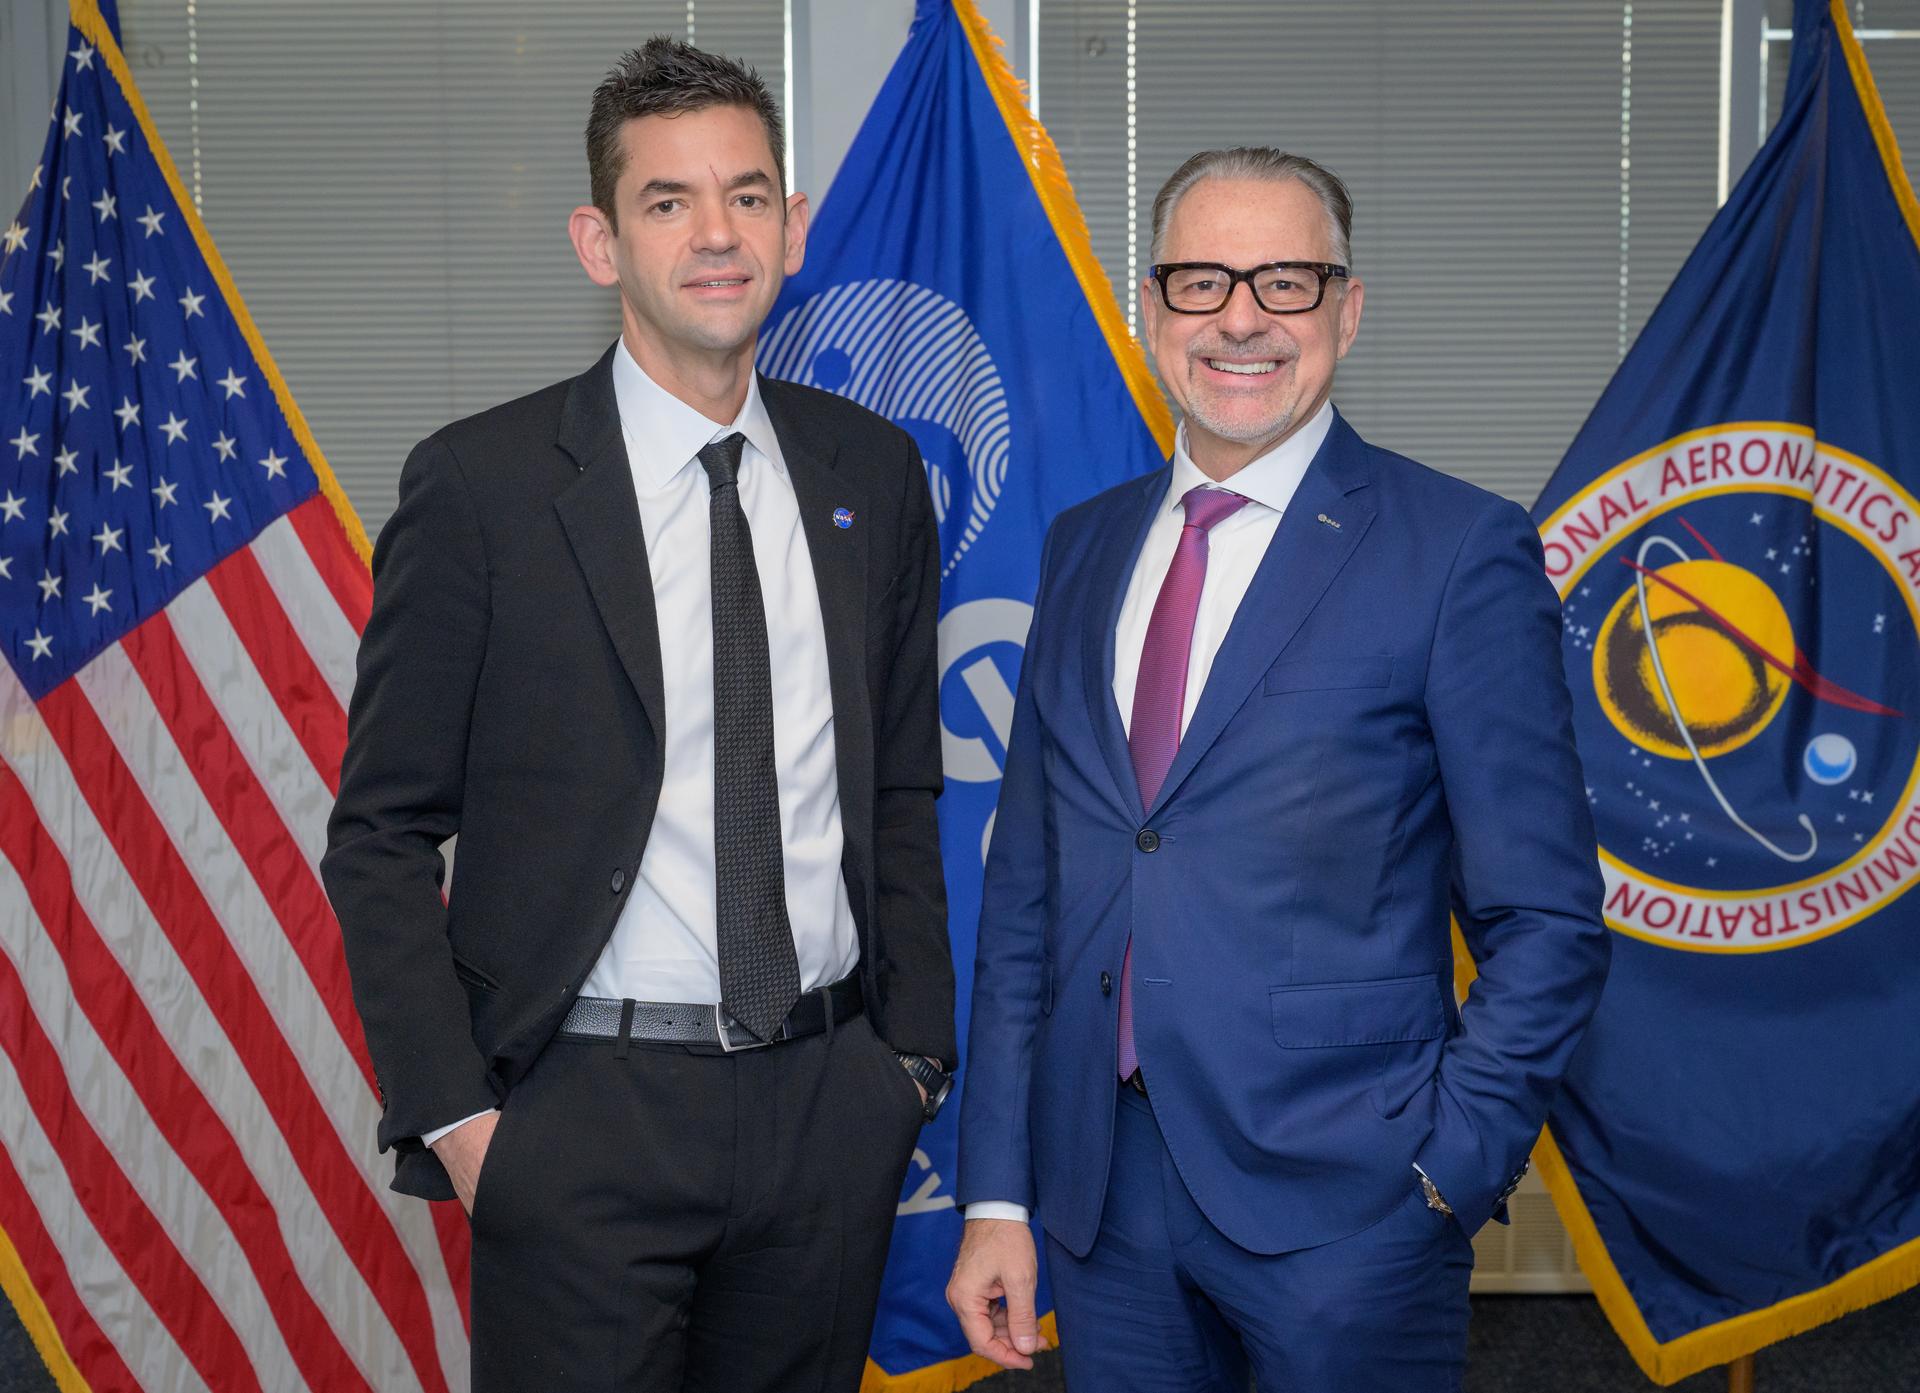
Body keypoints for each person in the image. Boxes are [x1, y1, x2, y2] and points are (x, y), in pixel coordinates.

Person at [322, 37, 955, 1393]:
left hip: (828, 1104)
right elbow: (378, 832)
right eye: (667, 201)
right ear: (598, 242)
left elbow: (901, 790)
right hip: (578, 1122)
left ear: (793, 226)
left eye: (746, 194)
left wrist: (908, 1066)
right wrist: (464, 1118)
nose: (716, 234)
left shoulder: (874, 475)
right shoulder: (481, 489)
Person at [946, 147, 1610, 1392]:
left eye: (1286, 281)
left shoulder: (1457, 548)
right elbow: (1029, 905)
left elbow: (1548, 918)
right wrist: (996, 1192)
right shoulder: (1084, 546)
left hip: (1353, 1206)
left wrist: (1447, 1167)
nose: (1240, 317)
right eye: (1200, 281)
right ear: (1152, 310)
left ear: (1347, 311)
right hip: (1101, 1200)